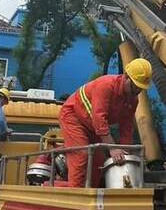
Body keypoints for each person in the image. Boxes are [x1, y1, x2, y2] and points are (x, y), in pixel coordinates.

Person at [59, 59, 152, 187]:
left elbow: (127, 127)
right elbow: (99, 118)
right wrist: (113, 148)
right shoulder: (106, 85)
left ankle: (93, 196)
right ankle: (76, 197)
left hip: (92, 125)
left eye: (140, 88)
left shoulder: (132, 100)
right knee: (81, 155)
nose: (137, 91)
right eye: (135, 86)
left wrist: (125, 153)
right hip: (73, 117)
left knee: (98, 162)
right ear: (126, 77)